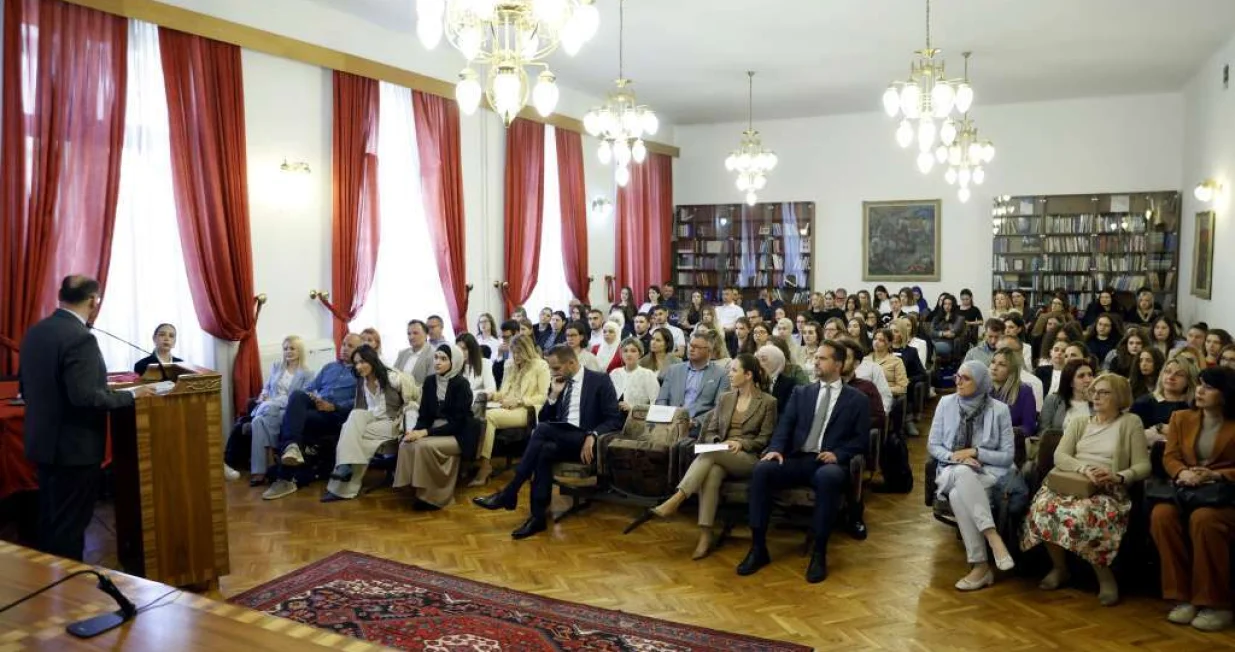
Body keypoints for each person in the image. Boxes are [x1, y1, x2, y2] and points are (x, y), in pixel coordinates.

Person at [19, 276, 158, 560]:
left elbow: (25, 387)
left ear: (61, 296)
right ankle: (72, 585)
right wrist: (132, 396)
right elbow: (85, 397)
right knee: (70, 526)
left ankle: (47, 580)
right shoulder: (80, 338)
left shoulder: (35, 332)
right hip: (74, 448)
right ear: (94, 301)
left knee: (50, 520)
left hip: (42, 443)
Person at [737, 341, 871, 584]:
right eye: (816, 357)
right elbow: (784, 426)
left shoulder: (857, 399)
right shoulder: (802, 393)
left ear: (838, 364)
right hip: (798, 457)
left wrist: (839, 454)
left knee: (828, 478)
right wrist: (775, 449)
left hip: (828, 462)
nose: (816, 362)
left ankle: (819, 553)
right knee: (763, 469)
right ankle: (758, 548)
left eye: (822, 358)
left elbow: (861, 441)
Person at [1022, 373, 1150, 606]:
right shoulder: (1080, 422)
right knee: (1043, 507)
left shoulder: (1131, 422)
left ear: (1119, 396)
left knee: (1086, 513)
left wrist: (1119, 476)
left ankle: (1105, 577)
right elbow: (1060, 456)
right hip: (1072, 482)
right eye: (1094, 392)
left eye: (1104, 392)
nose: (1096, 397)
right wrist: (1083, 468)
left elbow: (1143, 466)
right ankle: (1060, 568)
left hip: (1107, 489)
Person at [473, 345, 624, 539]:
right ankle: (537, 518)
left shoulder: (599, 380)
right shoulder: (559, 382)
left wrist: (593, 435)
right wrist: (553, 395)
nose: (553, 372)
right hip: (561, 439)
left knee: (542, 430)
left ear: (572, 363)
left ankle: (510, 492)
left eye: (556, 368)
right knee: (543, 450)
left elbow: (614, 419)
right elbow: (544, 417)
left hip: (586, 440)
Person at [648, 354, 776, 559]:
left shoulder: (768, 402)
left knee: (709, 455)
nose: (729, 374)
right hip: (720, 453)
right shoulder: (725, 398)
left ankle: (678, 498)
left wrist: (741, 443)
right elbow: (711, 430)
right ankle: (705, 534)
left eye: (734, 370)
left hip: (747, 457)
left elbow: (765, 438)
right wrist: (717, 441)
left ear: (748, 375)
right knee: (712, 472)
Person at [1150, 366, 1235, 632]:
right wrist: (1183, 472)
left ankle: (1216, 603)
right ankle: (1181, 596)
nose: (1200, 391)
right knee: (1161, 515)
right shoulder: (1181, 417)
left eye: (1208, 387)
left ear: (1225, 393)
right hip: (1188, 489)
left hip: (1224, 495)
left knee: (1204, 520)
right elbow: (1170, 456)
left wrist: (1216, 475)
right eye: (1199, 384)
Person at [928, 360, 1017, 590]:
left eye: (966, 378)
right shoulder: (946, 403)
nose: (958, 382)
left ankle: (980, 566)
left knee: (957, 495)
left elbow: (1007, 457)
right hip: (951, 469)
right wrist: (957, 457)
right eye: (957, 376)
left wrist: (976, 452)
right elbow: (934, 445)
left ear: (981, 382)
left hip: (988, 473)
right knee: (962, 472)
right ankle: (993, 539)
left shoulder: (1000, 410)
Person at [263, 333, 361, 500]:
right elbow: (309, 387)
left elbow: (360, 401)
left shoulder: (360, 372)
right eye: (344, 344)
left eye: (350, 346)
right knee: (297, 395)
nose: (344, 348)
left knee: (293, 418)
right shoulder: (330, 367)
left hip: (335, 415)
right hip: (317, 407)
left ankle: (285, 476)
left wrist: (334, 406)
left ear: (359, 351)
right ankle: (292, 448)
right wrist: (314, 396)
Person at [321, 345, 419, 501]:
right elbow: (360, 407)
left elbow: (412, 401)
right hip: (371, 419)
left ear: (372, 360)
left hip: (392, 422)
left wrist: (410, 428)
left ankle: (341, 488)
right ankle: (344, 469)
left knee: (355, 436)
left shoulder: (392, 378)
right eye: (356, 363)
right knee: (354, 416)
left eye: (362, 362)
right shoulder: (362, 381)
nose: (358, 366)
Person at [394, 344, 476, 509]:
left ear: (454, 362)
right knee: (406, 443)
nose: (437, 362)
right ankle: (414, 487)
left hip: (459, 435)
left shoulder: (462, 385)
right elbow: (425, 415)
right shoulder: (430, 381)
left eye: (443, 359)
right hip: (435, 429)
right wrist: (415, 431)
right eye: (436, 357)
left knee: (424, 446)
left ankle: (433, 498)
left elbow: (458, 424)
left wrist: (425, 432)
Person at [472, 334, 550, 486]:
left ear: (528, 350)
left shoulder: (541, 366)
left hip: (528, 410)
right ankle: (472, 461)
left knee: (489, 417)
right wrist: (492, 395)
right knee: (478, 413)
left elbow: (544, 396)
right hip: (507, 407)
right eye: (513, 352)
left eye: (519, 352)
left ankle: (485, 466)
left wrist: (519, 401)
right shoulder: (509, 364)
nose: (515, 356)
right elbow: (503, 392)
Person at [249, 335, 314, 486]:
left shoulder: (307, 373)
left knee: (266, 411)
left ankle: (268, 463)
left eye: (292, 348)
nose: (288, 351)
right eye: (285, 349)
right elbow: (266, 387)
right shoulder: (277, 366)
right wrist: (263, 394)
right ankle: (261, 469)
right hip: (271, 407)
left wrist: (270, 402)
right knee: (257, 422)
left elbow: (301, 397)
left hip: (287, 409)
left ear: (300, 350)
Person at [656, 334, 731, 431]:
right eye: (690, 345)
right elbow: (661, 399)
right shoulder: (674, 370)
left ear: (709, 351)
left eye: (697, 347)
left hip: (700, 427)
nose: (691, 349)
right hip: (670, 424)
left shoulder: (721, 374)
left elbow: (719, 407)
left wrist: (696, 422)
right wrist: (668, 418)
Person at [1133, 355, 1198, 445]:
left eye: (1179, 374)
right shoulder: (1143, 403)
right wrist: (1161, 430)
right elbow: (1132, 436)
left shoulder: (1194, 406)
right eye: (1167, 372)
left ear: (1189, 380)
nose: (1171, 377)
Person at [1039, 358, 1095, 435]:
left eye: (1090, 375)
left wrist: (1093, 400)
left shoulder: (1098, 402)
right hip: (1059, 442)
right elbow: (1044, 432)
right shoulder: (1052, 400)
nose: (1088, 380)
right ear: (1070, 382)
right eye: (1081, 376)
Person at [990, 348, 1037, 435]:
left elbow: (1029, 427)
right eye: (993, 362)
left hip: (1010, 440)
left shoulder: (1024, 391)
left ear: (1012, 370)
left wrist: (1004, 432)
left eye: (1002, 364)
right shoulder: (983, 389)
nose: (994, 367)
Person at [609, 336, 660, 413]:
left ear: (640, 354)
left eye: (633, 351)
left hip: (637, 417)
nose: (628, 354)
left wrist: (632, 409)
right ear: (621, 354)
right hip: (613, 415)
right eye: (625, 351)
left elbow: (655, 402)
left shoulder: (648, 374)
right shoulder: (614, 373)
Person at [755, 343, 799, 415]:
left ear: (775, 361)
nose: (759, 364)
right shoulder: (754, 381)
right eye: (757, 360)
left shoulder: (789, 383)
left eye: (763, 360)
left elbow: (787, 412)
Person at [393, 320, 434, 387]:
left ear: (426, 335)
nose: (411, 337)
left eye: (415, 333)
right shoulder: (402, 353)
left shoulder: (433, 354)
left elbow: (431, 384)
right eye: (409, 334)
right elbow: (393, 375)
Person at [930, 294, 966, 360]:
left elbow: (952, 332)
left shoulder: (960, 318)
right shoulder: (937, 317)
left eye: (949, 304)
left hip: (948, 343)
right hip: (933, 341)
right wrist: (943, 333)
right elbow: (931, 332)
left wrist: (948, 320)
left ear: (953, 306)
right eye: (945, 304)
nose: (947, 306)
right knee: (925, 344)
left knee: (929, 346)